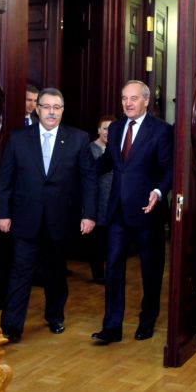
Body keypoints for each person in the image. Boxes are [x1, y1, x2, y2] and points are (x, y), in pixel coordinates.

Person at [0, 87, 97, 343]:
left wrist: (89, 214)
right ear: (37, 109)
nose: (51, 112)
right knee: (20, 273)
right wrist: (3, 213)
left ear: (62, 110)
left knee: (55, 273)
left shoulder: (78, 139)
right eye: (46, 107)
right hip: (25, 218)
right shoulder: (18, 138)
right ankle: (11, 327)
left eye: (56, 107)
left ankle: (55, 316)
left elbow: (89, 180)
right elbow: (5, 179)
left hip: (60, 220)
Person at [91, 80, 173, 344]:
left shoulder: (161, 130)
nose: (127, 103)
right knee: (113, 268)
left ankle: (147, 321)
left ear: (146, 101)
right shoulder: (115, 128)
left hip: (148, 211)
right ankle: (112, 327)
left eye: (134, 98)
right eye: (124, 98)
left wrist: (158, 191)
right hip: (118, 211)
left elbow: (169, 169)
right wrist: (82, 172)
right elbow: (108, 161)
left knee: (150, 270)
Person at [88, 115, 115, 285]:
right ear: (99, 130)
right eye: (105, 128)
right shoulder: (90, 149)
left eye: (111, 129)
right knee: (97, 243)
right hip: (97, 203)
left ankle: (112, 273)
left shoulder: (119, 149)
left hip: (114, 203)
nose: (108, 132)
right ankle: (98, 274)